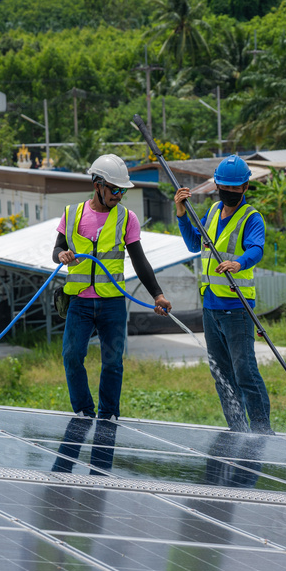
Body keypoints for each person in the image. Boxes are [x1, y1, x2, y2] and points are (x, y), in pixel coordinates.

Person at [52, 154, 172, 470]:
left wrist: (157, 294)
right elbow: (56, 249)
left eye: (122, 191)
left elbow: (139, 260)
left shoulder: (126, 218)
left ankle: (107, 416)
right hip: (78, 301)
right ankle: (83, 412)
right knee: (71, 355)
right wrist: (61, 254)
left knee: (112, 361)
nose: (118, 195)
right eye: (114, 189)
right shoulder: (72, 213)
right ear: (98, 185)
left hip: (111, 303)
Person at [174, 155, 271, 434]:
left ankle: (262, 429)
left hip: (237, 306)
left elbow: (256, 249)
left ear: (245, 188)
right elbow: (195, 243)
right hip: (211, 307)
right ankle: (237, 429)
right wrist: (182, 213)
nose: (228, 192)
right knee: (221, 373)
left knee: (245, 372)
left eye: (234, 188)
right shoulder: (214, 211)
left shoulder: (252, 217)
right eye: (223, 187)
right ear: (216, 185)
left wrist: (239, 262)